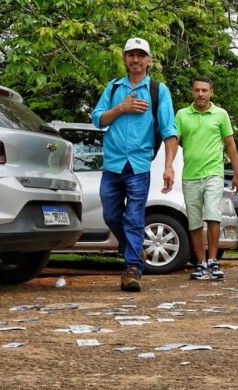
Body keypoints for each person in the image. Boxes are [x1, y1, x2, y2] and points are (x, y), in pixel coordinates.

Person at [92, 37, 177, 292]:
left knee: (134, 217)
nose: (136, 60)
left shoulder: (158, 91)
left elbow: (169, 129)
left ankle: (132, 270)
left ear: (149, 60)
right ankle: (135, 247)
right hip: (113, 163)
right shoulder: (114, 87)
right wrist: (121, 107)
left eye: (141, 55)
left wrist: (169, 165)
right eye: (131, 55)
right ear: (125, 59)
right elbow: (98, 119)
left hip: (139, 164)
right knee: (110, 214)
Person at [173, 77, 238, 280]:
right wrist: (168, 166)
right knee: (194, 222)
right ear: (192, 92)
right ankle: (200, 263)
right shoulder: (182, 115)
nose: (200, 94)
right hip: (190, 175)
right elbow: (174, 142)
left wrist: (237, 173)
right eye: (197, 90)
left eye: (204, 90)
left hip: (214, 173)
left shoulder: (220, 114)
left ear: (211, 92)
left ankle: (213, 261)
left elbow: (230, 144)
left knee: (213, 216)